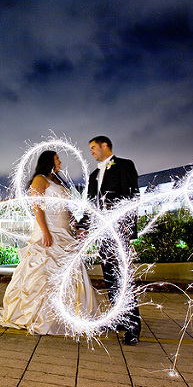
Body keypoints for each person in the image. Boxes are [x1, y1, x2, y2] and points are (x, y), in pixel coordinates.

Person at [0, 150, 100, 335]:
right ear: (48, 161)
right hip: (49, 229)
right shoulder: (39, 179)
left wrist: (76, 226)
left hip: (65, 231)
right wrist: (46, 232)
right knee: (44, 272)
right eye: (57, 159)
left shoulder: (59, 181)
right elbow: (37, 208)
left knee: (69, 270)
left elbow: (67, 209)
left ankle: (71, 312)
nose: (60, 161)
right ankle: (42, 316)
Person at [85, 136, 142, 345]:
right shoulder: (93, 175)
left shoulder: (124, 165)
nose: (91, 151)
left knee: (123, 279)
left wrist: (126, 226)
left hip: (118, 232)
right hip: (102, 233)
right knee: (110, 278)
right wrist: (83, 225)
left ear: (104, 146)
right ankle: (119, 317)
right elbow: (91, 205)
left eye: (93, 148)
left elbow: (133, 197)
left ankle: (133, 326)